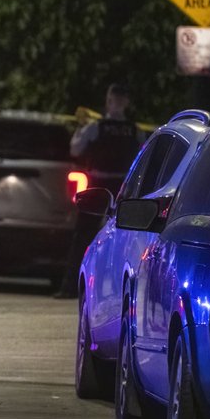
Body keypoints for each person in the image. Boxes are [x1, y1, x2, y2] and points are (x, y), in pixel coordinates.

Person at [55, 82, 144, 298]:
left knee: (84, 236)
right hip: (123, 189)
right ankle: (113, 292)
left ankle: (71, 287)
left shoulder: (97, 127)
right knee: (122, 241)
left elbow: (75, 147)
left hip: (100, 186)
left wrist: (80, 127)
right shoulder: (135, 131)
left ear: (109, 100)